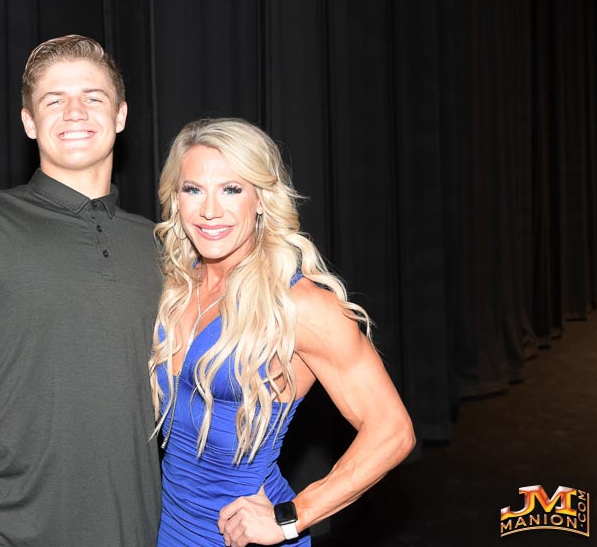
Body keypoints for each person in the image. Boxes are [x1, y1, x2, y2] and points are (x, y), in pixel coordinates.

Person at [0, 35, 161, 547]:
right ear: (28, 122)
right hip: (3, 530)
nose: (75, 112)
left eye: (93, 97)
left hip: (137, 529)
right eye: (53, 100)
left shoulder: (160, 244)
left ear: (121, 115)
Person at [149, 118, 416, 547]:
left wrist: (291, 517)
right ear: (176, 199)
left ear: (260, 199)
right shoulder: (176, 285)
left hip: (242, 537)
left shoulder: (298, 305)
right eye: (193, 189)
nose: (210, 210)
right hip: (169, 527)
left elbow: (393, 431)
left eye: (231, 189)